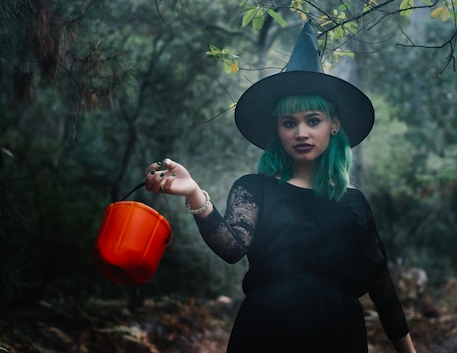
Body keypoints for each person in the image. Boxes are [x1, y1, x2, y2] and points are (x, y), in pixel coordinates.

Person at [144, 21, 417, 353]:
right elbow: (231, 247)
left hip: (338, 335)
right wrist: (193, 193)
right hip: (268, 330)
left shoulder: (354, 203)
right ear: (279, 131)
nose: (301, 132)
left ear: (334, 125)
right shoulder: (255, 189)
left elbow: (382, 286)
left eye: (312, 120)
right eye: (289, 123)